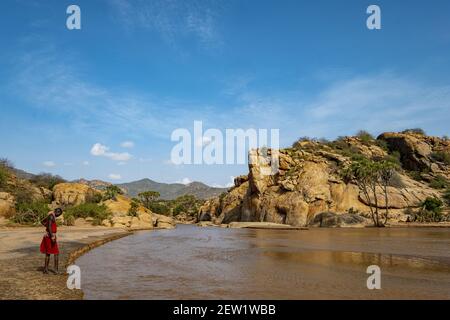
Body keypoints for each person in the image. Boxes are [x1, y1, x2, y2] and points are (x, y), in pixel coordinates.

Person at [40, 208, 63, 274]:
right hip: (50, 237)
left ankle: (45, 269)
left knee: (48, 253)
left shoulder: (51, 216)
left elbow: (42, 221)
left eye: (60, 214)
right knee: (56, 253)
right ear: (55, 211)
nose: (58, 214)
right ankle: (55, 270)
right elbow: (49, 226)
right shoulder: (51, 216)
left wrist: (46, 227)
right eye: (58, 212)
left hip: (49, 236)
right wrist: (52, 236)